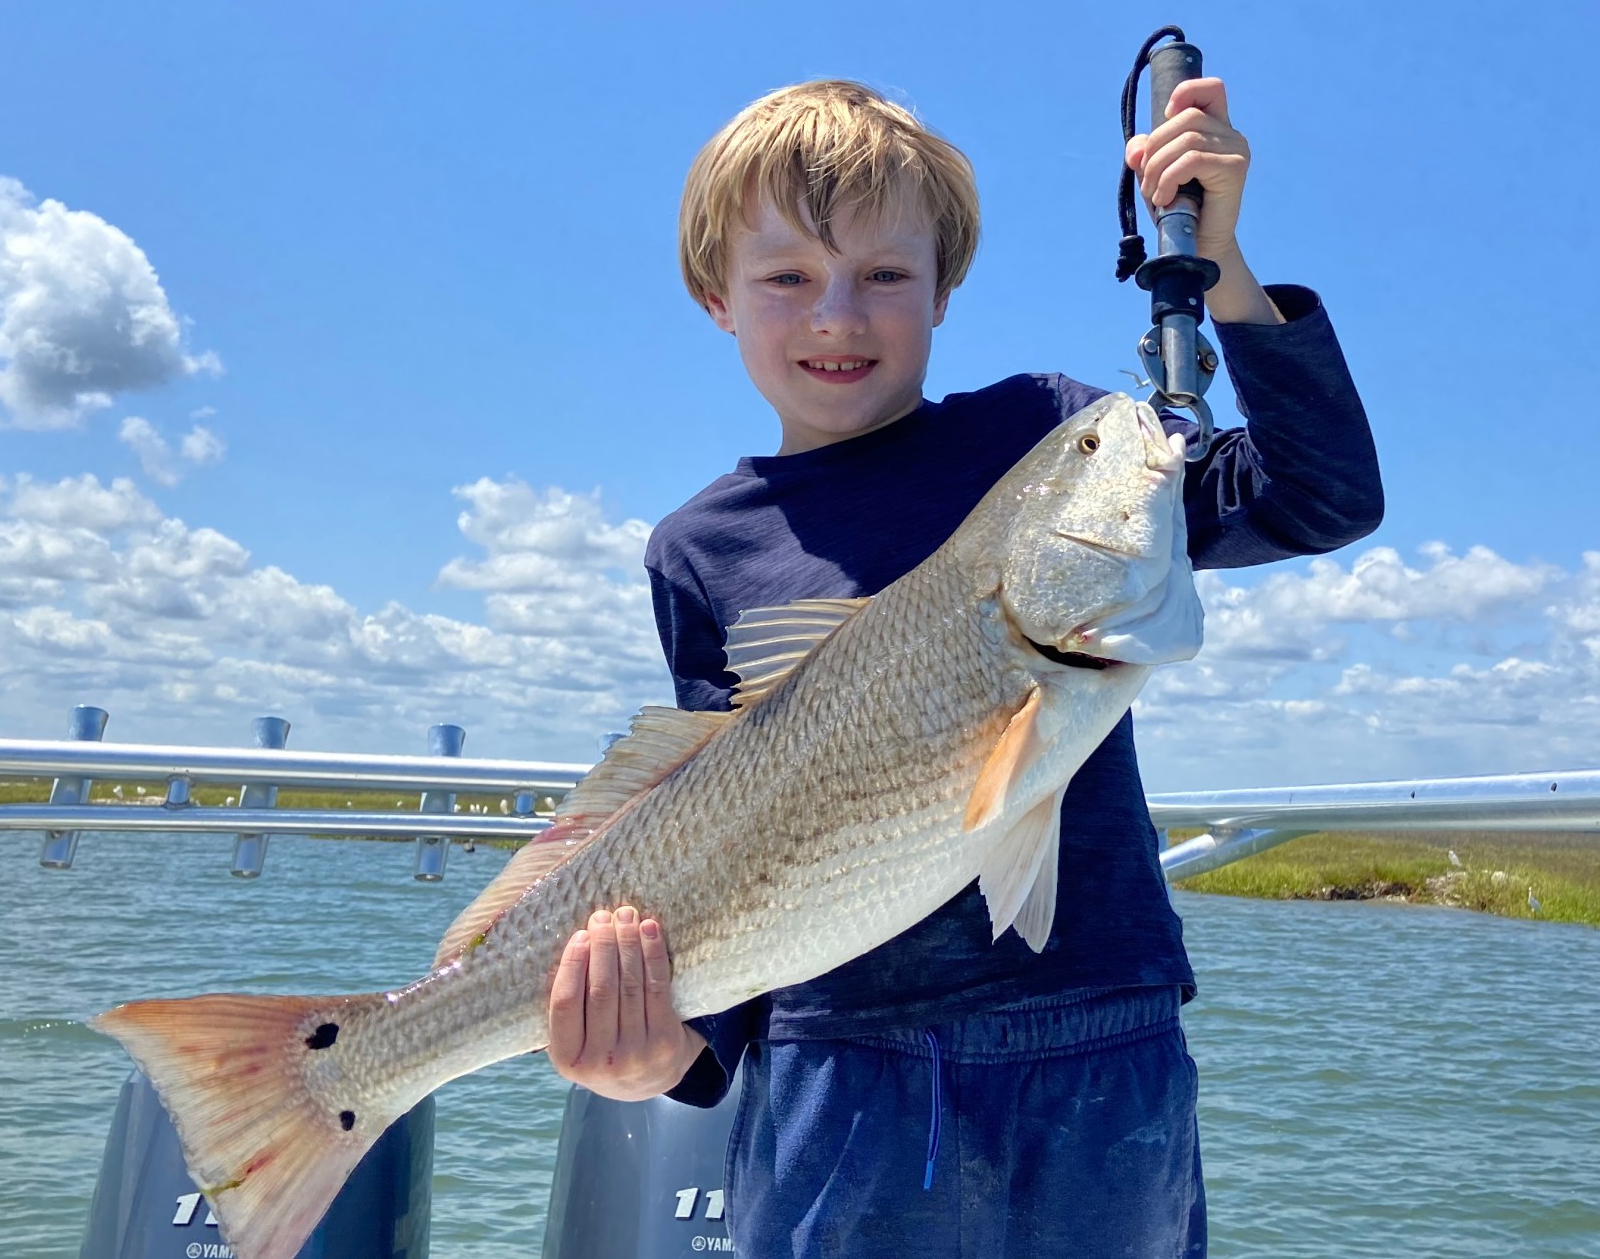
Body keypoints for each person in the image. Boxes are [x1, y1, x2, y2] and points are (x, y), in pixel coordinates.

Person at [540, 76, 1383, 1256]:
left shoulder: (1051, 437)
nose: (838, 315)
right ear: (713, 298)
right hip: (844, 1075)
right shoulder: (699, 550)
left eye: (886, 275)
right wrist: (664, 1056)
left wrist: (1223, 257)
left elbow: (1322, 494)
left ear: (945, 290)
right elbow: (708, 841)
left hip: (1106, 1040)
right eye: (786, 278)